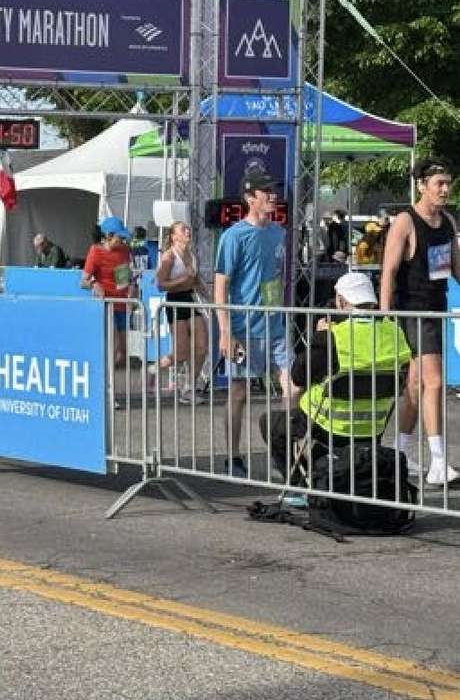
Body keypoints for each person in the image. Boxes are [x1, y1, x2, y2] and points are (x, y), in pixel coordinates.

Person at [260, 272, 411, 485]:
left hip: (330, 425)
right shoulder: (394, 331)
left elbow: (298, 376)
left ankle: (296, 486)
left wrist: (318, 336)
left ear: (340, 301)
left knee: (272, 423)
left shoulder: (333, 337)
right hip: (373, 427)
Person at [380, 156, 460, 485]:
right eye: (439, 183)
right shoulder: (405, 221)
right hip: (412, 310)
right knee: (435, 382)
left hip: (435, 308)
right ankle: (438, 462)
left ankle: (400, 454)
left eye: (448, 183)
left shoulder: (449, 221)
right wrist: (385, 316)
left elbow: (456, 267)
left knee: (414, 386)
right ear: (421, 186)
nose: (445, 189)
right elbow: (389, 271)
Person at [214, 172, 296, 479]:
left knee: (293, 387)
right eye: (267, 192)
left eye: (275, 191)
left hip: (275, 325)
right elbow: (221, 284)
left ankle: (284, 453)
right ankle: (233, 457)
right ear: (251, 198)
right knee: (239, 393)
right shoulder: (233, 236)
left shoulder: (278, 232)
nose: (273, 197)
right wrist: (226, 331)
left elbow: (276, 276)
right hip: (244, 329)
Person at [152, 222, 208, 403]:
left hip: (189, 299)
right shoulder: (169, 257)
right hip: (174, 301)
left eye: (188, 229)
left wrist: (213, 301)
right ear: (174, 236)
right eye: (183, 230)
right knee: (181, 354)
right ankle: (152, 369)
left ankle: (189, 388)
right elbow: (160, 284)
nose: (188, 231)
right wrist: (183, 278)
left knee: (202, 346)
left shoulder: (192, 255)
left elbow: (197, 282)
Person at [82, 217, 137, 369]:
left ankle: (108, 377)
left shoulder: (125, 251)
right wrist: (94, 283)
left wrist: (131, 290)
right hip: (106, 305)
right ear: (108, 235)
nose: (123, 240)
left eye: (123, 237)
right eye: (120, 237)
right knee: (113, 345)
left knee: (123, 352)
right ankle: (106, 385)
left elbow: (123, 280)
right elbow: (83, 281)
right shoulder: (95, 251)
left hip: (122, 305)